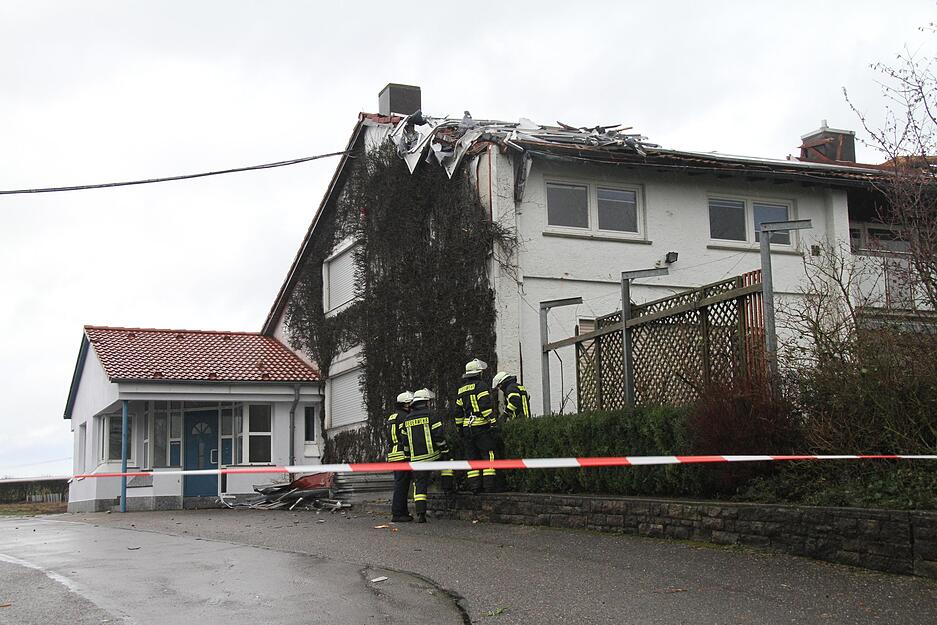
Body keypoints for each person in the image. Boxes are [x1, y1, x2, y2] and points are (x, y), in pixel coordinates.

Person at [399, 388, 449, 523]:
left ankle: (421, 514)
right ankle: (449, 491)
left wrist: (408, 456)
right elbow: (438, 434)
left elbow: (405, 441)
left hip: (416, 459)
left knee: (420, 486)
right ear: (426, 402)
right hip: (433, 455)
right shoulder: (431, 414)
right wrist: (444, 449)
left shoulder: (407, 418)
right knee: (448, 467)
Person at [455, 358, 498, 493]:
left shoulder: (461, 390)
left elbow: (458, 413)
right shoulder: (481, 386)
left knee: (472, 457)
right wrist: (493, 421)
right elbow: (485, 406)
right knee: (488, 454)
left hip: (467, 428)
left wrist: (460, 429)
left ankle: (475, 487)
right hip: (481, 427)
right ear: (479, 373)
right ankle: (489, 486)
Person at [387, 390, 413, 522]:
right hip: (402, 453)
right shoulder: (405, 417)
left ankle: (402, 512)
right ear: (406, 404)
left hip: (393, 452)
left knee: (399, 484)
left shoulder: (393, 417)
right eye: (411, 403)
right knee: (402, 485)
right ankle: (398, 514)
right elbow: (405, 436)